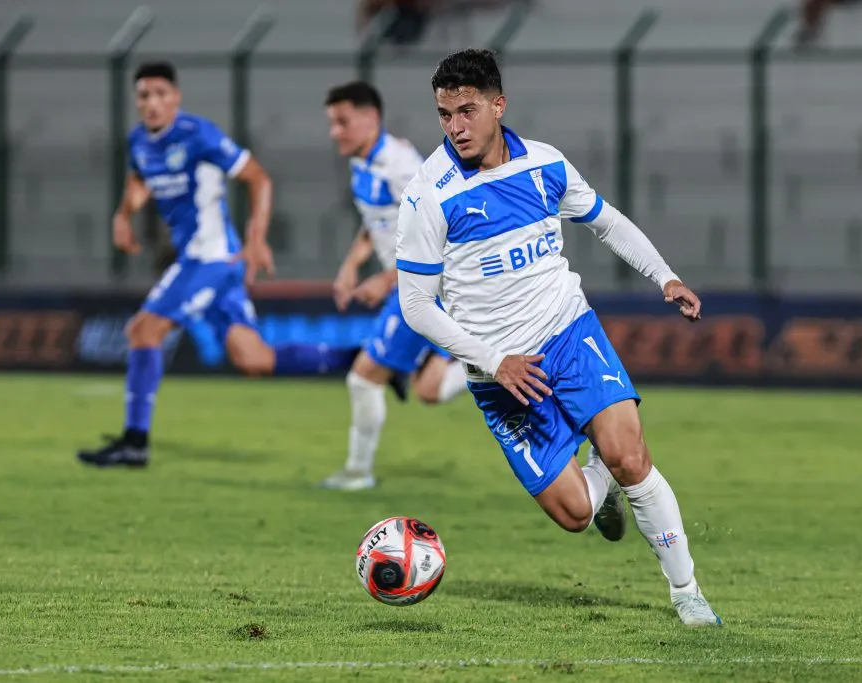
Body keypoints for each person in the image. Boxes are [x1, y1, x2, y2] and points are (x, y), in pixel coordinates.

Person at [394, 49, 721, 626]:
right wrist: (495, 361)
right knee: (574, 514)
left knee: (631, 454)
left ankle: (687, 593)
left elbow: (607, 221)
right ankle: (602, 480)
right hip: (500, 374)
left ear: (498, 105)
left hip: (568, 332)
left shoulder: (545, 166)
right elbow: (416, 305)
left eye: (467, 111)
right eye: (445, 115)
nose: (456, 127)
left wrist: (664, 277)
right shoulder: (429, 195)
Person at [77, 61, 356, 468]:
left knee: (142, 330)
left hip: (208, 257)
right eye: (144, 96)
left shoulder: (198, 135)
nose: (152, 103)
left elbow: (258, 178)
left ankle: (134, 442)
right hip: (208, 260)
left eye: (160, 94)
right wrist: (124, 214)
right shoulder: (138, 140)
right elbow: (140, 182)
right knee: (254, 358)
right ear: (137, 101)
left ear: (176, 98)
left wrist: (256, 238)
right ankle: (367, 358)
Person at [320, 81, 468, 491]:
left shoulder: (401, 166)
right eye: (332, 123)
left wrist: (386, 279)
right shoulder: (361, 163)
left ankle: (357, 472)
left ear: (371, 118)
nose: (335, 132)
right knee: (429, 390)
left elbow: (434, 231)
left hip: (426, 286)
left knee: (363, 378)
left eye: (343, 122)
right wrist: (351, 265)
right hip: (418, 285)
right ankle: (492, 362)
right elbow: (377, 222)